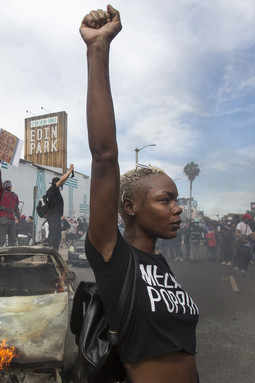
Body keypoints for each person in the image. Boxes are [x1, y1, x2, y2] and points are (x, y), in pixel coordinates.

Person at [81, 6, 199, 382]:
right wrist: (98, 49)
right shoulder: (114, 257)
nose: (177, 209)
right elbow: (104, 156)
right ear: (129, 206)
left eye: (176, 199)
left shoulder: (161, 266)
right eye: (165, 200)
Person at [43, 164, 74, 249]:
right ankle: (49, 253)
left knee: (57, 237)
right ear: (56, 183)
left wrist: (69, 174)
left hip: (56, 217)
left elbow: (63, 180)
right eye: (60, 183)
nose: (62, 185)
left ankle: (54, 253)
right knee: (52, 237)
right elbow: (62, 179)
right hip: (52, 217)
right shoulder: (53, 189)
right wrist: (70, 171)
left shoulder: (55, 191)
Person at [0, 164, 21, 246]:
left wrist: (19, 221)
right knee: (3, 238)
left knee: (12, 240)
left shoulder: (14, 195)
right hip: (3, 217)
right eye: (9, 185)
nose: (10, 186)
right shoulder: (1, 192)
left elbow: (16, 209)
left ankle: (9, 258)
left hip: (11, 218)